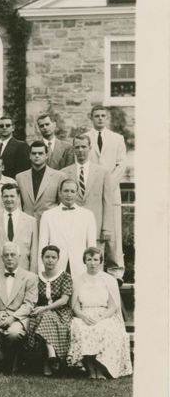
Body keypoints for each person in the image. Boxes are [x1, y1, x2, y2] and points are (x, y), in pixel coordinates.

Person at [68, 246, 132, 379]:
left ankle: (101, 369)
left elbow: (113, 307)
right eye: (89, 259)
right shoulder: (78, 280)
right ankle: (91, 369)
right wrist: (83, 316)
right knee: (80, 328)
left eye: (96, 259)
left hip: (105, 314)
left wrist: (101, 318)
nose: (92, 263)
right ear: (84, 261)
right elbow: (75, 307)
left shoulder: (109, 280)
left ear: (100, 261)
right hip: (84, 314)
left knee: (104, 329)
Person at [85, 105, 127, 279]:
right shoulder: (85, 137)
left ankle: (116, 273)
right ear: (91, 117)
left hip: (112, 192)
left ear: (107, 117)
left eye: (103, 115)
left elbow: (121, 164)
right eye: (97, 116)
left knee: (113, 234)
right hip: (92, 194)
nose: (100, 118)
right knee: (95, 234)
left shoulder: (117, 138)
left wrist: (107, 184)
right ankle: (96, 273)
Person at [62, 135, 116, 266]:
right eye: (77, 147)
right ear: (73, 149)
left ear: (90, 148)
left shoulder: (103, 172)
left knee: (95, 265)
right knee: (75, 265)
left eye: (84, 147)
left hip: (96, 228)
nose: (81, 150)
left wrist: (106, 228)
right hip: (72, 227)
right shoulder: (64, 173)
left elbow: (108, 202)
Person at [0, 242, 40, 373]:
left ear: (19, 256)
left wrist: (12, 318)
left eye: (13, 255)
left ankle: (11, 361)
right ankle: (1, 360)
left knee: (13, 333)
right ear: (2, 257)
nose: (9, 258)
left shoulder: (31, 277)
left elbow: (29, 304)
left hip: (18, 317)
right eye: (6, 255)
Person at [30, 244, 74, 376]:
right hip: (41, 310)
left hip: (61, 312)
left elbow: (64, 300)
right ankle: (51, 359)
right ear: (42, 258)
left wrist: (45, 308)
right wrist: (38, 308)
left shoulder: (65, 276)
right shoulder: (36, 277)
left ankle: (50, 356)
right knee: (38, 319)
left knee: (46, 317)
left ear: (58, 259)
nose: (50, 260)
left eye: (53, 257)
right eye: (47, 257)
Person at [38, 179, 97, 277]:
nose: (69, 195)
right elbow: (42, 245)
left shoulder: (88, 215)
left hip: (80, 266)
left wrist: (91, 270)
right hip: (56, 266)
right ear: (60, 193)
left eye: (72, 191)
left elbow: (92, 247)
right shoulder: (48, 215)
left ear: (77, 194)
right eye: (66, 191)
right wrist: (42, 271)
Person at [0, 183, 37, 272]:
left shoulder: (31, 221)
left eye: (12, 196)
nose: (9, 199)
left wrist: (33, 274)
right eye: (6, 196)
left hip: (24, 270)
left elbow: (34, 252)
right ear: (1, 198)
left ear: (18, 197)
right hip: (1, 270)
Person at [16, 141, 67, 221]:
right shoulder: (20, 177)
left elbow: (62, 204)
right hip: (27, 223)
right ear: (29, 156)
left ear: (46, 155)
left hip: (50, 222)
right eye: (34, 153)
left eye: (40, 153)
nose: (37, 156)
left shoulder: (59, 176)